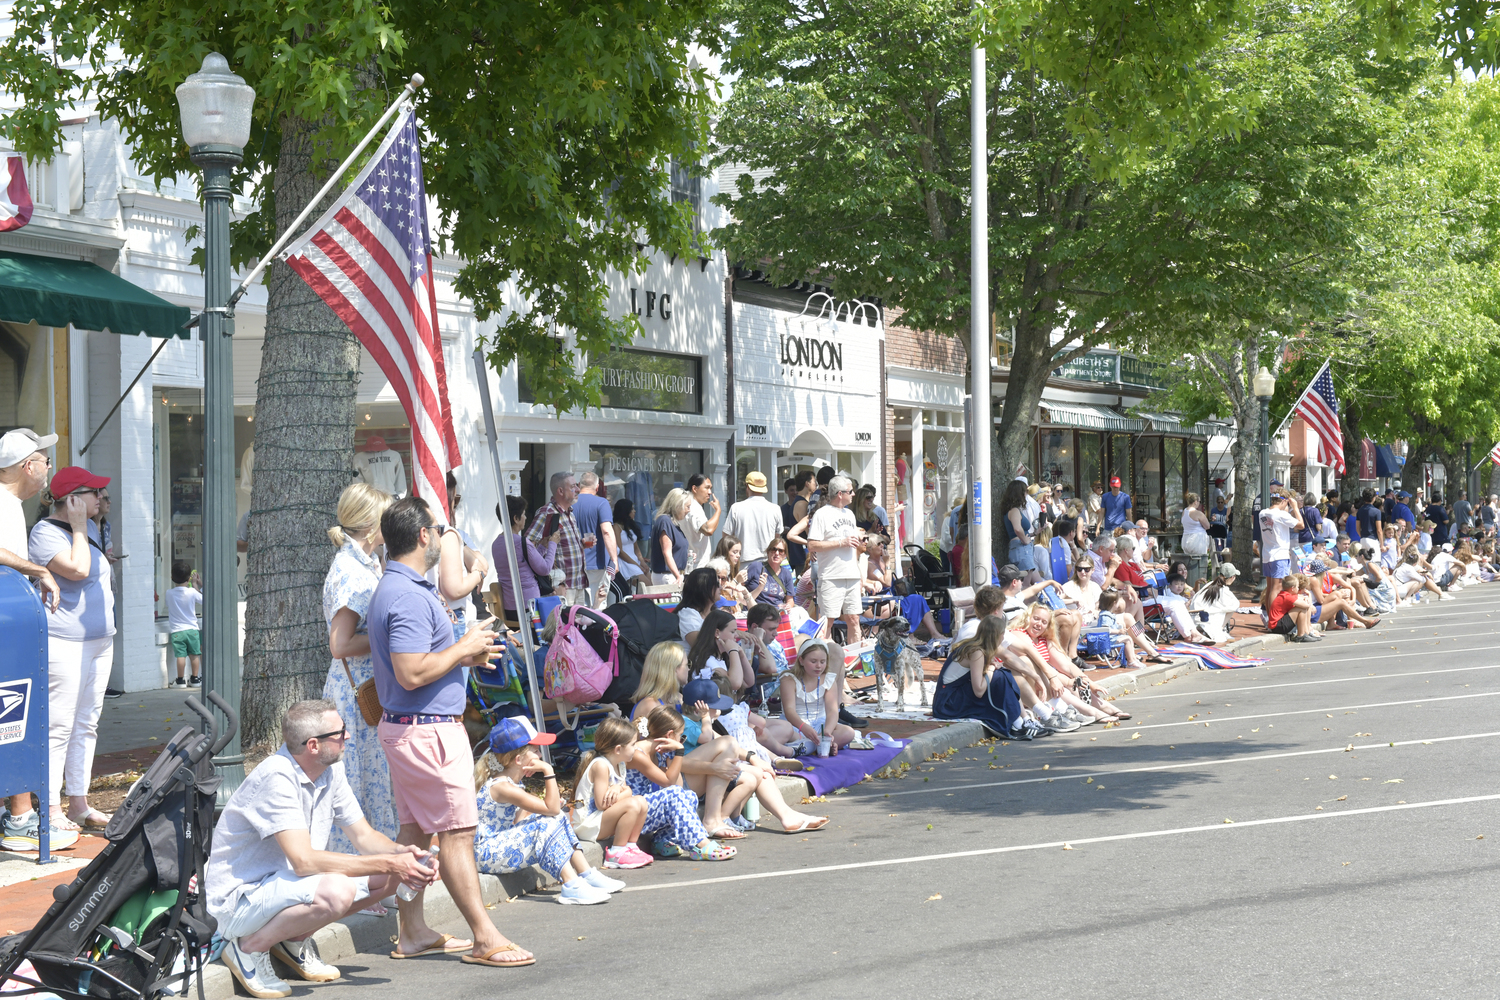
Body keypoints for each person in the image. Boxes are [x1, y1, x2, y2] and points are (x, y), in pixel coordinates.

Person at [368, 496, 533, 968]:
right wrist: (463, 648)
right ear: (424, 536)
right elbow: (411, 672)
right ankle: (485, 938)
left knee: (416, 833)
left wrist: (466, 653)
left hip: (414, 729)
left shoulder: (401, 587)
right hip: (427, 733)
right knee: (458, 833)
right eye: (438, 530)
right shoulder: (407, 595)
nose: (443, 537)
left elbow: (420, 665)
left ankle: (413, 930)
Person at [207, 700, 441, 999]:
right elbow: (304, 861)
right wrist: (390, 863)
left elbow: (364, 836)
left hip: (283, 889)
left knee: (391, 879)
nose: (348, 737)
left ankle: (292, 939)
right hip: (238, 902)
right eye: (340, 733)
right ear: (314, 745)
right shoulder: (277, 777)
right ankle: (247, 948)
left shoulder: (331, 771)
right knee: (337, 890)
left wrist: (403, 855)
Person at [32, 466, 115, 833]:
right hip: (64, 641)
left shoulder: (92, 529)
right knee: (59, 725)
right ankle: (49, 808)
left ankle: (79, 802)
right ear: (72, 499)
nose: (100, 497)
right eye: (93, 491)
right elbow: (77, 571)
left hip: (100, 639)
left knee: (87, 723)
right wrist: (80, 527)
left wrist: (85, 528)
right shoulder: (45, 532)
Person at [0, 429, 70, 854]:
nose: (48, 469)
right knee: (16, 714)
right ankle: (20, 819)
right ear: (29, 465)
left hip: (11, 628)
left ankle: (19, 813)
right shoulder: (3, 503)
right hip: (10, 634)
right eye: (44, 461)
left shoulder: (11, 505)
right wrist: (39, 571)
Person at [321, 482, 398, 855]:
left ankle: (375, 871)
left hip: (369, 684)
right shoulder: (351, 571)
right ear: (370, 525)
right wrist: (389, 635)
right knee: (359, 782)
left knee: (372, 781)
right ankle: (358, 871)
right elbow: (339, 645)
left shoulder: (365, 562)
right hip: (356, 694)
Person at [472, 718, 624, 904]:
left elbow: (522, 819)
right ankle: (571, 885)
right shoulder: (502, 786)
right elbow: (550, 808)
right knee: (551, 817)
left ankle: (586, 874)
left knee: (555, 817)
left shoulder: (511, 783)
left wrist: (546, 812)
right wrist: (548, 770)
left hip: (497, 846)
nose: (540, 755)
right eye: (535, 750)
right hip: (487, 854)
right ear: (519, 760)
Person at [575, 715, 735, 865]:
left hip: (619, 815)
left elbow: (670, 784)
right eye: (632, 745)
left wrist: (622, 790)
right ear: (618, 749)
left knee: (689, 796)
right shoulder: (603, 765)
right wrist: (679, 751)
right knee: (674, 795)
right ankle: (701, 844)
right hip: (592, 824)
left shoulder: (620, 764)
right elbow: (603, 804)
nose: (635, 747)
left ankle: (662, 841)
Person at [808, 474, 866, 644]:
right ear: (840, 494)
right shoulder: (821, 514)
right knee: (828, 622)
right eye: (850, 491)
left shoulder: (849, 514)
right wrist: (841, 542)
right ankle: (825, 665)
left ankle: (854, 663)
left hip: (852, 576)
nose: (854, 494)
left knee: (854, 619)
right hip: (831, 576)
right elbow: (812, 545)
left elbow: (852, 543)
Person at [775, 639, 857, 757]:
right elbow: (789, 710)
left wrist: (827, 733)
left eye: (822, 661)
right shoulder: (789, 679)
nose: (819, 666)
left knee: (848, 732)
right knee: (783, 732)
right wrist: (804, 727)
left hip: (820, 726)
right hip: (796, 725)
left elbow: (832, 711)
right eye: (813, 661)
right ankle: (820, 746)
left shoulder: (828, 680)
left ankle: (808, 746)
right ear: (801, 660)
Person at [491, 495, 557, 630]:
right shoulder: (521, 542)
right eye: (523, 514)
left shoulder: (496, 544)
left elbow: (523, 564)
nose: (526, 518)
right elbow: (544, 569)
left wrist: (542, 547)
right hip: (530, 608)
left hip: (510, 608)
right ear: (516, 518)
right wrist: (552, 544)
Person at [527, 471, 586, 605]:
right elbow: (528, 546)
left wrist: (582, 545)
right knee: (563, 624)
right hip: (561, 587)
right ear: (560, 491)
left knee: (577, 624)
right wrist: (552, 582)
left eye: (577, 485)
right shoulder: (548, 513)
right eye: (573, 486)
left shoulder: (569, 513)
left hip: (577, 583)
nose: (577, 489)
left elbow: (563, 546)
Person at [571, 471, 618, 609]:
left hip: (574, 564)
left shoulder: (570, 503)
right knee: (598, 604)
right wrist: (614, 560)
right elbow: (607, 531)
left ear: (579, 485)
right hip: (596, 563)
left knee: (577, 607)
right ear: (597, 487)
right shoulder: (601, 503)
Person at [1258, 490, 1304, 614]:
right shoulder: (1281, 515)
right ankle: (1274, 618)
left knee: (1270, 588)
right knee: (1277, 588)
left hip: (1267, 554)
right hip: (1280, 555)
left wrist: (1287, 509)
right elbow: (1301, 525)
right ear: (1284, 501)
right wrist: (1295, 508)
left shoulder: (1263, 512)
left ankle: (1269, 618)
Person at [686, 609, 754, 692]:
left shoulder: (721, 657)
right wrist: (733, 651)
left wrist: (741, 654)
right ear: (717, 633)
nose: (736, 635)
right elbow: (735, 684)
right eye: (732, 632)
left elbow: (748, 682)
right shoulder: (707, 660)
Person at [723, 471, 785, 562]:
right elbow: (777, 538)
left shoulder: (736, 508)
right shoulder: (775, 509)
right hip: (767, 563)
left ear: (747, 487)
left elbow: (726, 538)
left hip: (742, 562)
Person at [167, 559, 203, 687]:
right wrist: (195, 585)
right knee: (194, 655)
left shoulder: (169, 593)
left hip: (177, 631)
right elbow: (204, 600)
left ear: (171, 577)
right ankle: (195, 679)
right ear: (188, 578)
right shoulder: (192, 592)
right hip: (192, 629)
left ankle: (180, 680)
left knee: (180, 656)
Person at [1189, 563, 1243, 643]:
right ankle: (1220, 629)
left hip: (1193, 618)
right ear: (1232, 577)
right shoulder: (1223, 590)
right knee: (1229, 609)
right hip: (1206, 620)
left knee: (1221, 607)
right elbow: (1235, 605)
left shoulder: (1209, 584)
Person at [649, 488, 692, 586]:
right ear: (678, 506)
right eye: (687, 507)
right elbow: (667, 552)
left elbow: (673, 551)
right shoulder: (665, 521)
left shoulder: (672, 523)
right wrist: (677, 576)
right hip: (668, 576)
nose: (689, 510)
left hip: (673, 575)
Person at [681, 473, 722, 571]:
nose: (710, 492)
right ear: (695, 489)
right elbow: (708, 530)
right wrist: (718, 511)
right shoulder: (693, 507)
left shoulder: (688, 503)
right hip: (696, 567)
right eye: (706, 488)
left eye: (710, 488)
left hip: (691, 565)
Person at [999, 479, 1037, 583]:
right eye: (1025, 491)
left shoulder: (1011, 510)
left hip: (1021, 549)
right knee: (1025, 584)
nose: (1026, 494)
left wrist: (1033, 534)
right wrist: (1025, 540)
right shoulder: (1014, 510)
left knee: (1038, 582)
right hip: (1021, 549)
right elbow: (1017, 528)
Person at [745, 535, 795, 609]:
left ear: (785, 556)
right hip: (757, 610)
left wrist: (788, 606)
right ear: (768, 552)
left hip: (777, 613)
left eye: (781, 551)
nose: (777, 553)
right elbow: (740, 587)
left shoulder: (786, 574)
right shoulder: (756, 567)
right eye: (774, 549)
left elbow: (790, 600)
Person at [782, 472, 814, 571]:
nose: (816, 484)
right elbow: (809, 531)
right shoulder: (801, 504)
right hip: (802, 556)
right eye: (814, 481)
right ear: (807, 484)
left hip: (802, 555)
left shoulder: (801, 502)